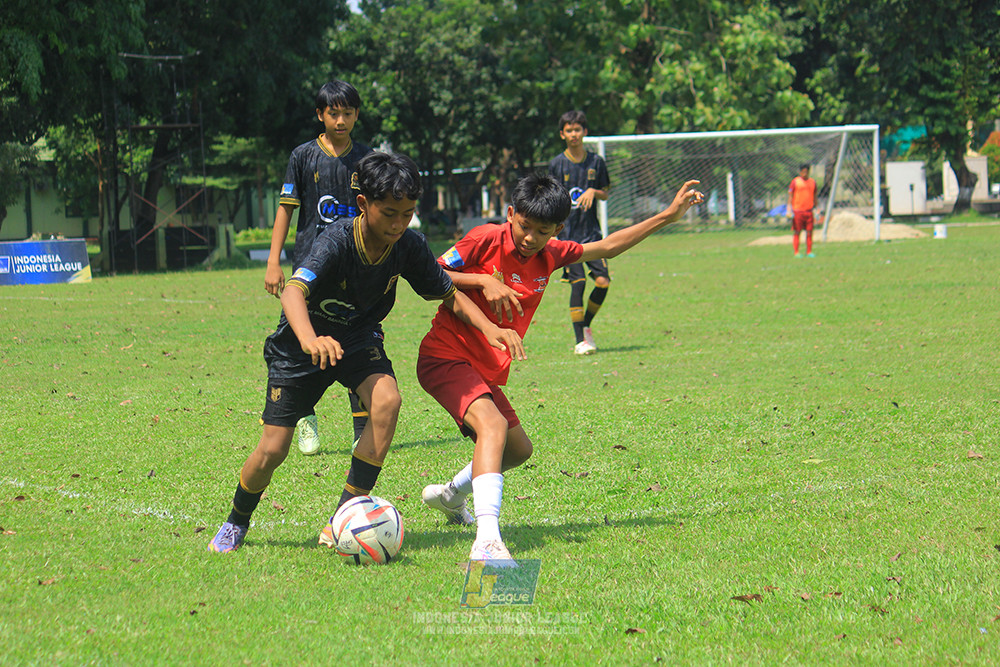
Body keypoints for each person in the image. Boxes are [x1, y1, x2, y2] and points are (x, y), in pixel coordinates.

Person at [208, 152, 524, 554]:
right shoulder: (338, 240)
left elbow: (448, 294)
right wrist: (309, 341)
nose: (398, 224)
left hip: (358, 339)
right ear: (363, 205)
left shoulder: (408, 245)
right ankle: (236, 521)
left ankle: (342, 517)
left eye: (407, 214)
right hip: (301, 345)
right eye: (389, 213)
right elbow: (293, 291)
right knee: (273, 449)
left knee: (387, 400)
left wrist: (491, 327)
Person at [418, 173, 702, 564]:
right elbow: (429, 274)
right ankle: (487, 540)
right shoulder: (484, 237)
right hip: (445, 355)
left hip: (485, 370)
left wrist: (667, 216)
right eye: (524, 226)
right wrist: (482, 280)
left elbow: (607, 246)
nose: (531, 237)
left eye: (543, 230)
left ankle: (452, 494)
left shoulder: (550, 255)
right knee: (493, 427)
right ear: (510, 213)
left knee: (517, 450)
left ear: (558, 230)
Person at [264, 79, 373, 456]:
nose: (340, 120)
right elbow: (286, 209)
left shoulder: (367, 159)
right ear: (320, 115)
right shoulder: (302, 156)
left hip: (354, 268)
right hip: (309, 268)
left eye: (347, 113)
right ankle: (305, 418)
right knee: (296, 340)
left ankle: (361, 428)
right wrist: (273, 260)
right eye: (333, 113)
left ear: (356, 115)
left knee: (356, 338)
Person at [548, 110, 611, 355]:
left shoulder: (596, 162)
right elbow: (549, 199)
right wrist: (552, 234)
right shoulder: (557, 164)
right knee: (579, 283)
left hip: (592, 235)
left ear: (584, 132)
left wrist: (593, 191)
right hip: (566, 236)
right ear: (563, 134)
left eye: (578, 129)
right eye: (569, 130)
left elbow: (605, 192)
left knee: (603, 283)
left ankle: (585, 325)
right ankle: (580, 341)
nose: (574, 134)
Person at [787, 164, 817, 258]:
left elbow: (815, 196)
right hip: (798, 211)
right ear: (800, 172)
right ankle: (796, 252)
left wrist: (817, 209)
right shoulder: (795, 182)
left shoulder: (812, 182)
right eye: (803, 172)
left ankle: (809, 251)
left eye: (806, 172)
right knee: (797, 231)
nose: (804, 174)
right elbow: (790, 196)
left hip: (808, 211)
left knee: (809, 232)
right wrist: (789, 209)